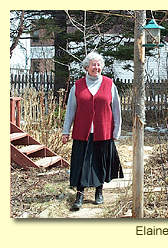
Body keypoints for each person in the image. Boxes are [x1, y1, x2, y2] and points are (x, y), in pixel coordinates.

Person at [62, 51, 124, 211]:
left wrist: (116, 131)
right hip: (82, 132)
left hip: (103, 132)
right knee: (81, 163)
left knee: (99, 163)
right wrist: (65, 130)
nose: (96, 67)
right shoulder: (78, 86)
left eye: (98, 64)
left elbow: (116, 110)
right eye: (93, 64)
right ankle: (80, 195)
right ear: (86, 67)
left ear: (101, 66)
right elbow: (70, 110)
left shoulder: (110, 85)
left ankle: (99, 191)